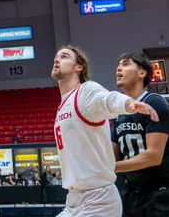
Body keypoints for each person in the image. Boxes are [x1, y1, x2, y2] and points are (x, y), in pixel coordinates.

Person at [51, 46, 158, 217]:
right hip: (73, 200)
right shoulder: (64, 103)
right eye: (56, 57)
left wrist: (128, 104)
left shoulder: (86, 91)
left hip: (98, 200)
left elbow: (107, 99)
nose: (56, 59)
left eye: (64, 57)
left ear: (79, 67)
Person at [112, 51, 169, 216]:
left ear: (142, 72)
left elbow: (153, 156)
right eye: (118, 65)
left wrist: (109, 167)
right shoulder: (118, 113)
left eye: (125, 64)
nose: (118, 69)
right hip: (132, 193)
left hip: (161, 193)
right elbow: (113, 156)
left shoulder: (154, 102)